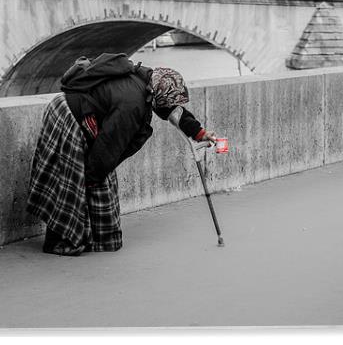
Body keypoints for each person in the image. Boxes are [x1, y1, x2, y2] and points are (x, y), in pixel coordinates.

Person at [26, 53, 217, 256]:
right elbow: (109, 145)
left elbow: (169, 108)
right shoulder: (132, 104)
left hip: (84, 115)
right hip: (69, 116)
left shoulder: (146, 79)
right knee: (73, 184)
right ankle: (62, 241)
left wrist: (199, 132)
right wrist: (90, 178)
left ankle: (99, 238)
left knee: (96, 179)